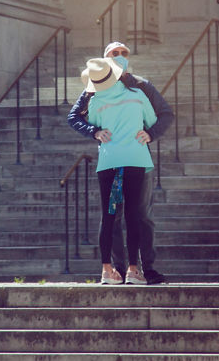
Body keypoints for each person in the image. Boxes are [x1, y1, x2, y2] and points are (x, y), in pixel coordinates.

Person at [67, 41, 174, 285]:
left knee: (142, 214)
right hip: (113, 159)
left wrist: (152, 133)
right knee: (113, 216)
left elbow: (165, 114)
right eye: (113, 53)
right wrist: (93, 131)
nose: (119, 56)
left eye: (123, 52)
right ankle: (119, 267)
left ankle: (146, 267)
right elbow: (74, 117)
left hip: (137, 156)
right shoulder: (95, 88)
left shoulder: (141, 86)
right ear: (105, 58)